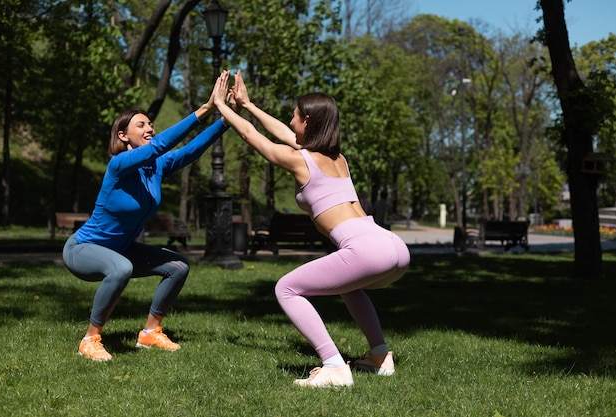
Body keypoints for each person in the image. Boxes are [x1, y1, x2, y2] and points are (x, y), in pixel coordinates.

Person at [213, 70, 410, 387]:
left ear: (306, 120)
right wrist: (247, 104)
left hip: (365, 249)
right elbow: (284, 135)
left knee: (286, 289)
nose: (290, 122)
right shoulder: (338, 158)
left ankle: (333, 367)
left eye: (294, 116)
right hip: (394, 247)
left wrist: (222, 107)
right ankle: (379, 356)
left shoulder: (301, 161)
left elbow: (253, 136)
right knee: (349, 286)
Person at [63, 71, 235, 362]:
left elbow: (190, 151)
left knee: (178, 265)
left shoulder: (155, 167)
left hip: (121, 250)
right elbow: (160, 145)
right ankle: (90, 339)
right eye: (140, 124)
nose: (150, 128)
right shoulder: (119, 165)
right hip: (82, 249)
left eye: (150, 124)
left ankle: (150, 333)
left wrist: (227, 118)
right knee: (120, 269)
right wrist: (205, 108)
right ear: (123, 135)